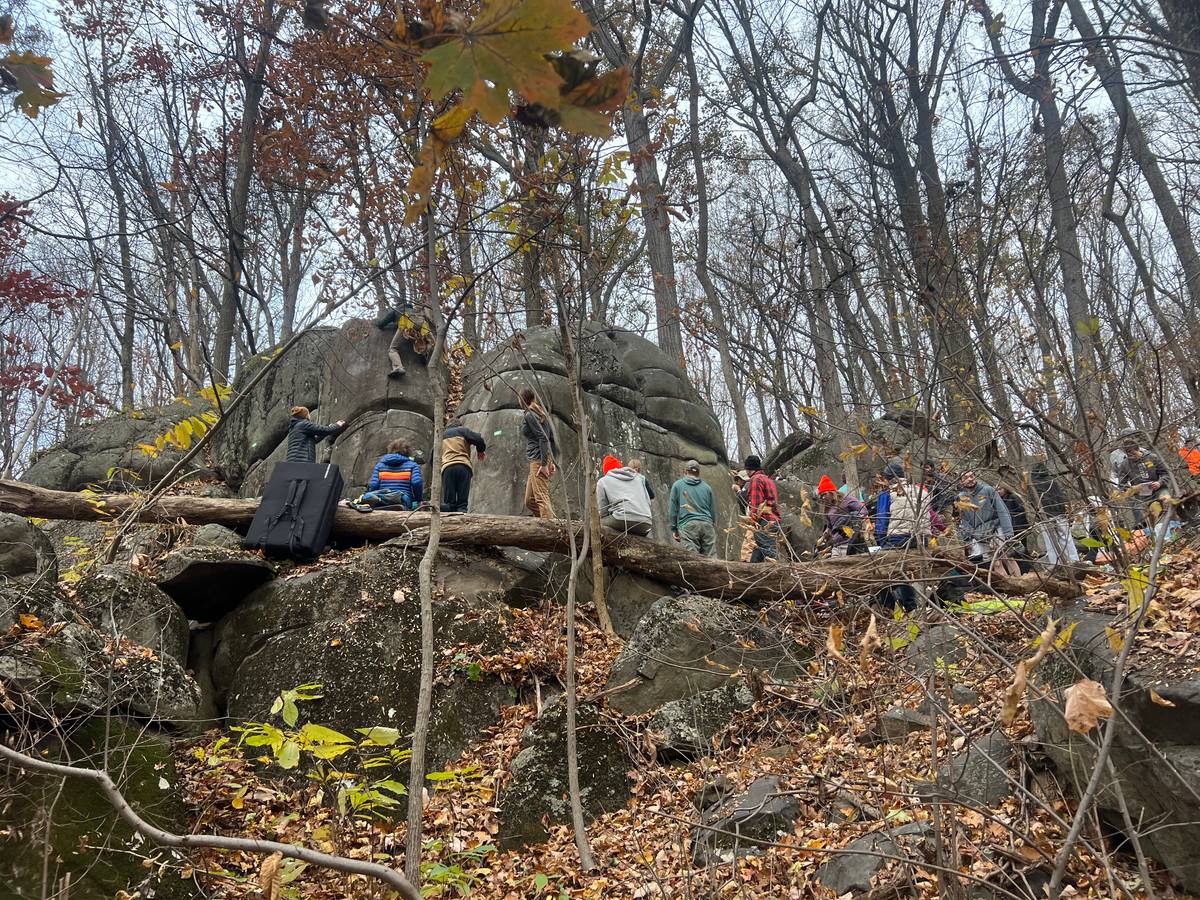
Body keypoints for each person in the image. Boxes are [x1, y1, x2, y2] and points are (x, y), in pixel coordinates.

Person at [955, 470, 1018, 576]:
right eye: (966, 477)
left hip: (996, 529)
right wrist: (967, 538)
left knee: (1007, 557)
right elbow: (964, 520)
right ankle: (1009, 590)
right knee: (995, 563)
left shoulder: (988, 490)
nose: (970, 479)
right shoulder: (961, 497)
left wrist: (1008, 532)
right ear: (961, 482)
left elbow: (1002, 511)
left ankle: (1019, 585)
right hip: (980, 534)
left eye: (972, 476)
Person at [1116, 436, 1172, 527]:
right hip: (1142, 496)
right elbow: (1122, 484)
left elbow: (1166, 473)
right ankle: (1156, 537)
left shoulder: (1152, 457)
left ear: (1138, 449)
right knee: (1147, 518)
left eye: (1133, 453)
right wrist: (1134, 489)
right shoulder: (1124, 464)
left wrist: (1159, 482)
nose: (1131, 456)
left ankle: (1176, 528)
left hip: (1159, 489)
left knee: (1168, 502)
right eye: (1128, 454)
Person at [1029, 462, 1077, 568]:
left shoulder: (1032, 485)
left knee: (1050, 542)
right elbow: (1061, 497)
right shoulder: (1052, 481)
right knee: (1066, 538)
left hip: (1044, 516)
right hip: (1059, 514)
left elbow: (1032, 502)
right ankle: (1074, 561)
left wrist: (1038, 514)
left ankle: (1056, 564)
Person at [353, 439, 424, 510]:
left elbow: (374, 485)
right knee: (404, 500)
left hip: (381, 497)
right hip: (402, 498)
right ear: (408, 452)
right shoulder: (413, 465)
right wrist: (418, 500)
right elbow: (416, 483)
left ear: (390, 450)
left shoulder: (379, 465)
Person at [520, 387, 557, 518]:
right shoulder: (541, 413)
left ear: (521, 400)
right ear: (533, 398)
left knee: (541, 498)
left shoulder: (530, 415)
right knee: (530, 500)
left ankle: (550, 532)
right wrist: (553, 461)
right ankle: (543, 522)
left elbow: (544, 438)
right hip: (540, 459)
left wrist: (544, 463)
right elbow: (551, 438)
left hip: (538, 460)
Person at [596, 454, 654, 536]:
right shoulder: (639, 478)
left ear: (606, 470)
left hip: (622, 519)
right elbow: (648, 500)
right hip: (646, 522)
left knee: (595, 524)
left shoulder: (603, 481)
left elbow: (602, 511)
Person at [668, 459, 717, 555]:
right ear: (698, 473)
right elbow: (712, 511)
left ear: (685, 471)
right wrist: (711, 524)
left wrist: (674, 529)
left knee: (693, 558)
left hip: (688, 526)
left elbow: (673, 510)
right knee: (711, 559)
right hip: (707, 525)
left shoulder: (677, 485)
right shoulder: (707, 487)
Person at [440, 418, 486, 512]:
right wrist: (480, 450)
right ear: (460, 425)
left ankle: (436, 510)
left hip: (447, 468)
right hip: (463, 467)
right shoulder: (463, 431)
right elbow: (478, 439)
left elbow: (433, 456)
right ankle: (462, 519)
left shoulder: (441, 436)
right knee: (462, 504)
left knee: (449, 504)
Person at [744, 456, 782, 562]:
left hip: (764, 521)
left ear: (748, 469)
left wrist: (752, 521)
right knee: (759, 551)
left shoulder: (755, 480)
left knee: (770, 553)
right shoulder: (768, 480)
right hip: (774, 520)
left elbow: (756, 505)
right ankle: (750, 574)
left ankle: (781, 574)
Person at [817, 475, 867, 555]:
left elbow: (863, 511)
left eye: (824, 494)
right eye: (821, 496)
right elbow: (830, 527)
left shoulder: (847, 500)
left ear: (831, 492)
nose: (823, 498)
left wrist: (850, 519)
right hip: (836, 545)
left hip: (850, 542)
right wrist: (823, 537)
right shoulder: (828, 508)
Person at [995, 482, 1032, 572]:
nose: (998, 491)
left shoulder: (1013, 498)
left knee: (1021, 549)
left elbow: (1020, 512)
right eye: (997, 490)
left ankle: (1027, 567)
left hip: (1018, 528)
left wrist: (1016, 527)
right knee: (1014, 551)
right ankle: (1022, 569)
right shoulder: (1000, 500)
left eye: (1000, 489)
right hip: (1010, 529)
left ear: (1005, 489)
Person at [733, 469, 754, 562]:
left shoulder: (748, 485)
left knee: (747, 546)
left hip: (754, 520)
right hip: (754, 520)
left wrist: (738, 491)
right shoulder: (751, 485)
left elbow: (743, 499)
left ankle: (746, 565)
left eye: (739, 479)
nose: (738, 482)